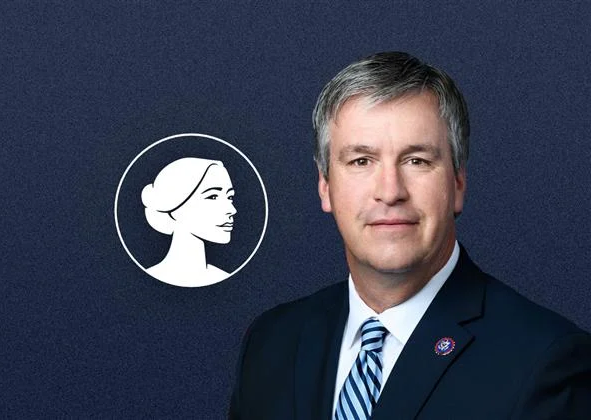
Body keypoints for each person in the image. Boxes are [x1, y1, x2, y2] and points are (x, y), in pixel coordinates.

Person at [228, 52, 591, 419]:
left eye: (416, 160)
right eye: (361, 161)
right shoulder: (271, 343)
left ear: (458, 182)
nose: (390, 191)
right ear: (325, 185)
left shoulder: (545, 361)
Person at [141, 157, 236, 287]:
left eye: (230, 197)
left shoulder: (225, 278)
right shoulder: (147, 280)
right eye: (213, 197)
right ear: (174, 208)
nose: (232, 210)